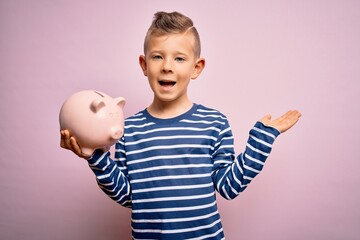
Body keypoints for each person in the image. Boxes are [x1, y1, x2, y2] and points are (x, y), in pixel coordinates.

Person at [61, 11, 301, 240]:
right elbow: (127, 195)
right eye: (157, 56)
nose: (167, 66)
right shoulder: (128, 130)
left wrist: (262, 139)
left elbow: (229, 186)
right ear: (144, 65)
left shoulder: (214, 123)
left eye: (179, 58)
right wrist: (95, 157)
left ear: (196, 67)